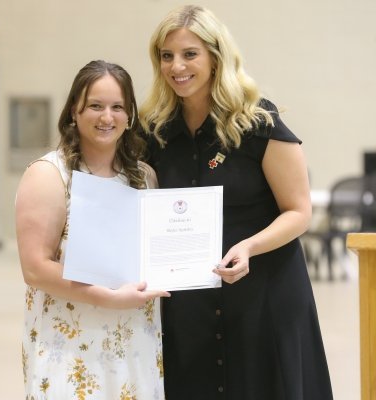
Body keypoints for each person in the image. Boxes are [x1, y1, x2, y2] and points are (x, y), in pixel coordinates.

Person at [139, 5, 334, 400]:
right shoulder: (154, 131)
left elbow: (299, 211)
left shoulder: (258, 121)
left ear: (215, 56)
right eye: (167, 55)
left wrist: (249, 247)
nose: (177, 66)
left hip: (264, 294)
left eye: (190, 54)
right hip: (190, 306)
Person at [15, 60, 170, 400]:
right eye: (95, 106)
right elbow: (35, 268)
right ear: (75, 110)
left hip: (135, 342)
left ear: (129, 115)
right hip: (71, 346)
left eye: (117, 107)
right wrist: (108, 297)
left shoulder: (144, 178)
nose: (107, 117)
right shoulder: (49, 175)